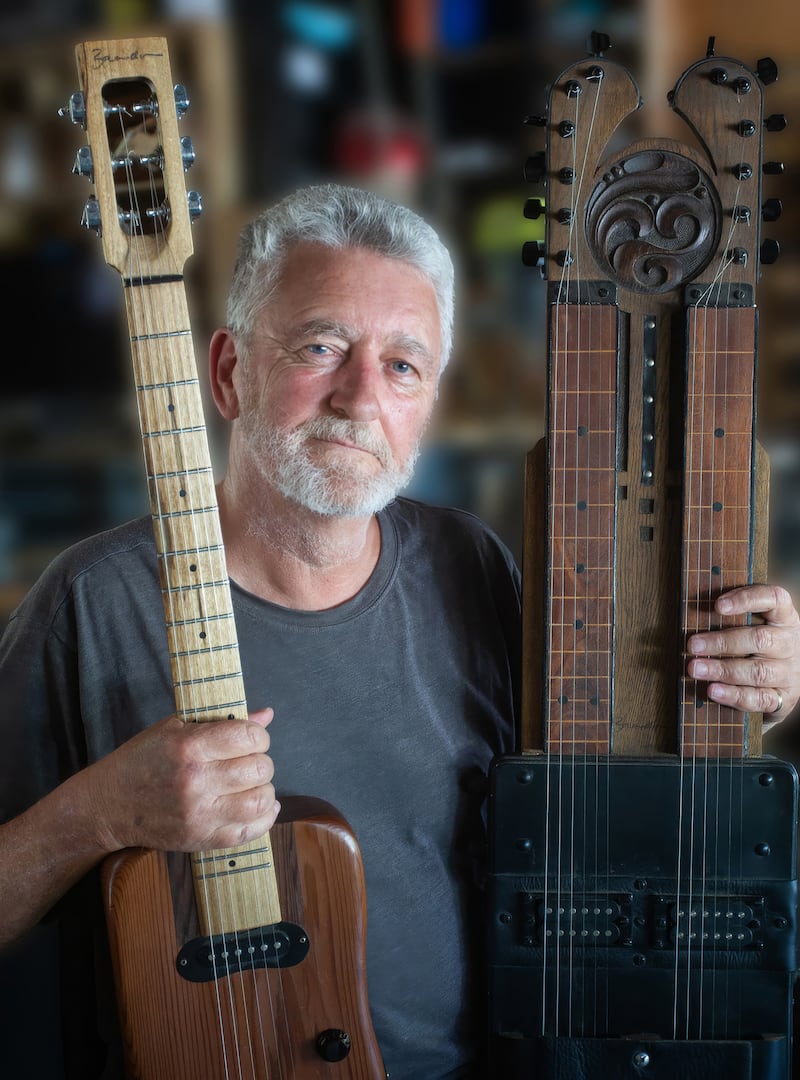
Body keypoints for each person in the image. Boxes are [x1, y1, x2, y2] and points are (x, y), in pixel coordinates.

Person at [0, 183, 798, 1079]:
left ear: (428, 406)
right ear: (229, 372)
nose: (358, 396)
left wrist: (736, 689)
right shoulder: (90, 602)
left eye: (403, 365)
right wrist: (92, 815)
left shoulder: (472, 563)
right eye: (320, 346)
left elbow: (607, 809)